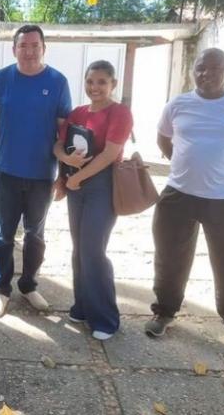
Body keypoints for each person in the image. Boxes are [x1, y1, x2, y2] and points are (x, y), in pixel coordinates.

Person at [145, 48, 224, 354]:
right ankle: (164, 311)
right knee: (169, 258)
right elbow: (163, 139)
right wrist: (181, 164)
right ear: (193, 71)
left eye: (215, 69)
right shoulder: (178, 104)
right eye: (200, 68)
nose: (206, 74)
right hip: (178, 195)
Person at [0, 25, 72, 317]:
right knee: (3, 235)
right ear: (14, 49)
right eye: (23, 46)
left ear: (43, 48)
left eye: (35, 46)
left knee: (35, 235)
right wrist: (2, 134)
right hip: (6, 171)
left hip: (42, 174)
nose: (29, 51)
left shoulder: (58, 81)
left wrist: (63, 175)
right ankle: (1, 289)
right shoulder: (1, 78)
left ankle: (29, 285)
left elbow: (64, 133)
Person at [54, 60, 133, 341]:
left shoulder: (120, 113)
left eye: (101, 82)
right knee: (79, 248)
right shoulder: (77, 112)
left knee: (93, 250)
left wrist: (78, 178)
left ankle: (106, 319)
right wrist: (65, 167)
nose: (95, 87)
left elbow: (110, 154)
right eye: (90, 81)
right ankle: (83, 307)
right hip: (76, 185)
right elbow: (59, 144)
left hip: (102, 184)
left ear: (112, 84)